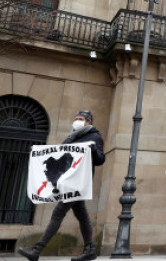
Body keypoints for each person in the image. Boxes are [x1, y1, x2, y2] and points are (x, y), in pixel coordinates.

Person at [18, 110, 105, 261]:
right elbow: (59, 153)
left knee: (59, 212)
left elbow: (100, 159)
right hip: (67, 180)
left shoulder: (95, 136)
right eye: (76, 118)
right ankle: (89, 249)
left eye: (80, 119)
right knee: (82, 215)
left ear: (88, 122)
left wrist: (94, 150)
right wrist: (38, 151)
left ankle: (36, 251)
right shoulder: (71, 137)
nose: (77, 121)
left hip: (78, 182)